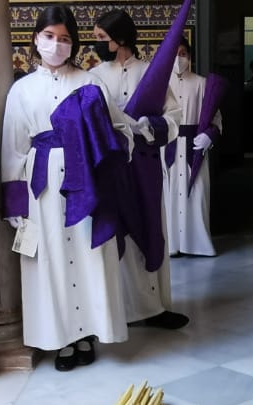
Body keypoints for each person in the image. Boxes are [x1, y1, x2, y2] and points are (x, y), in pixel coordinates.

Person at [1, 4, 135, 371]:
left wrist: (112, 154)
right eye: (49, 37)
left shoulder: (91, 82)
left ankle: (89, 332)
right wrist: (14, 203)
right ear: (35, 38)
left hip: (88, 180)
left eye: (64, 39)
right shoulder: (22, 90)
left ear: (74, 43)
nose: (56, 45)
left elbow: (119, 129)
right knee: (52, 260)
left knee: (88, 253)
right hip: (42, 185)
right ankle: (60, 337)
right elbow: (13, 148)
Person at [90, 9, 188, 330]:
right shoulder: (95, 76)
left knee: (149, 224)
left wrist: (152, 125)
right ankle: (119, 308)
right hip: (111, 167)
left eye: (102, 39)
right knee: (116, 231)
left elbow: (173, 116)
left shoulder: (151, 73)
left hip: (144, 164)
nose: (97, 45)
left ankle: (153, 307)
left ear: (120, 39)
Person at [161, 36, 223, 258]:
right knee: (167, 195)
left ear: (189, 56)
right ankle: (171, 244)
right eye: (174, 54)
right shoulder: (160, 83)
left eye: (183, 54)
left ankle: (197, 243)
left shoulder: (201, 83)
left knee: (196, 194)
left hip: (194, 146)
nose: (179, 58)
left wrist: (209, 135)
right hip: (167, 145)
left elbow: (216, 118)